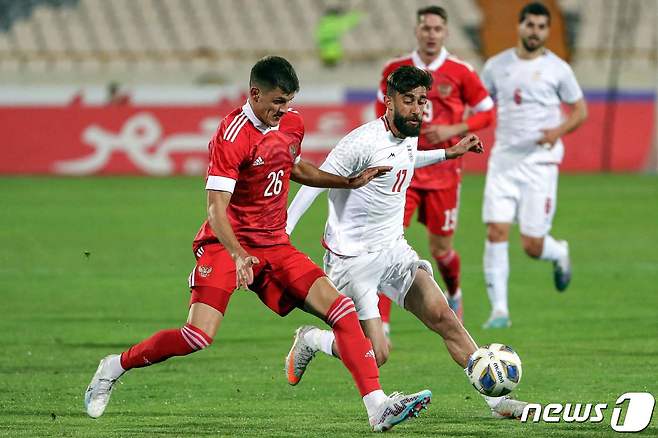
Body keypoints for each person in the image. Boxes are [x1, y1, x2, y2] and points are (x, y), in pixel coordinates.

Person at [84, 56, 432, 433]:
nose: (284, 111)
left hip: (275, 244)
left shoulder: (290, 123)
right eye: (278, 102)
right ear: (254, 93)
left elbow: (293, 167)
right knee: (197, 335)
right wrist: (238, 255)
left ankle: (377, 407)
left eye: (289, 102)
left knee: (342, 310)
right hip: (225, 243)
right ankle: (114, 366)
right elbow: (216, 210)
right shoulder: (233, 136)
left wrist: (347, 182)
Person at [285, 65, 527, 419]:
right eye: (408, 100)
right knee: (376, 352)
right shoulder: (360, 142)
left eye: (422, 101)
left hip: (394, 250)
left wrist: (449, 153)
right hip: (353, 261)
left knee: (445, 317)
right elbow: (311, 182)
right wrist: (283, 233)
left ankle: (497, 403)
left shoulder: (409, 136)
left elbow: (406, 162)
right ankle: (310, 339)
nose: (417, 108)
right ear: (389, 102)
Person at [374, 5, 494, 333]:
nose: (431, 34)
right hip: (405, 173)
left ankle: (454, 291)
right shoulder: (395, 69)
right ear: (417, 31)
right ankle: (381, 322)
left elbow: (487, 113)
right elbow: (379, 112)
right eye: (426, 28)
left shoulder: (460, 71)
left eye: (437, 29)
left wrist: (454, 129)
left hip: (443, 174)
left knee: (441, 250)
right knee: (387, 241)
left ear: (445, 33)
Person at [480, 2, 587, 329]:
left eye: (542, 27)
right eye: (531, 25)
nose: (535, 32)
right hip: (504, 161)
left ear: (547, 31)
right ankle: (499, 311)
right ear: (520, 26)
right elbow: (482, 106)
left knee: (532, 245)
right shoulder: (496, 66)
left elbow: (580, 110)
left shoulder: (559, 69)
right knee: (496, 230)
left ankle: (558, 252)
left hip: (540, 165)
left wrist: (557, 131)